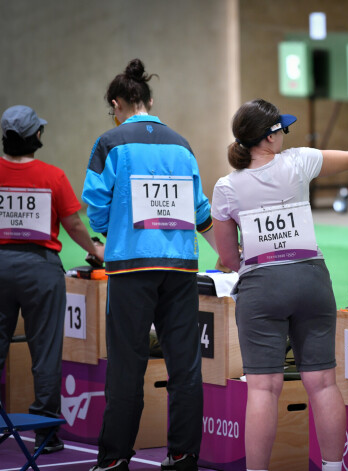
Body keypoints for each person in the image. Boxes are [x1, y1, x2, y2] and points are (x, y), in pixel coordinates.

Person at [211, 98, 348, 471]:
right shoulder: (299, 162)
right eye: (282, 128)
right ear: (269, 137)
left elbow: (229, 258)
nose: (285, 135)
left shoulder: (226, 187)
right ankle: (331, 468)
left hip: (261, 286)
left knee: (263, 388)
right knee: (324, 383)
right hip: (311, 279)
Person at [82, 59, 215, 471]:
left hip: (131, 266)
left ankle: (114, 459)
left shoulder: (110, 142)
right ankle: (183, 455)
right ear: (150, 101)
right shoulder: (182, 144)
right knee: (185, 366)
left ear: (117, 103)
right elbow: (199, 209)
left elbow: (96, 205)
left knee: (127, 365)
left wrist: (111, 233)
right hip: (180, 267)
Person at [0, 105, 105, 454]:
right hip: (40, 269)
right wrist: (94, 250)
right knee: (44, 350)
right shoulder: (52, 176)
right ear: (37, 137)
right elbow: (75, 224)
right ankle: (45, 432)